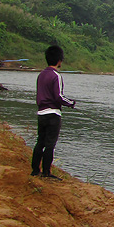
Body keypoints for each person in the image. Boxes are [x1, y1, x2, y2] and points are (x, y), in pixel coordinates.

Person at [30, 45, 75, 180]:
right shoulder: (56, 76)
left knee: (40, 142)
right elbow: (58, 97)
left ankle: (34, 170)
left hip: (41, 113)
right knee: (50, 144)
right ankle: (46, 173)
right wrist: (71, 103)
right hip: (53, 114)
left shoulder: (41, 74)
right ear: (59, 60)